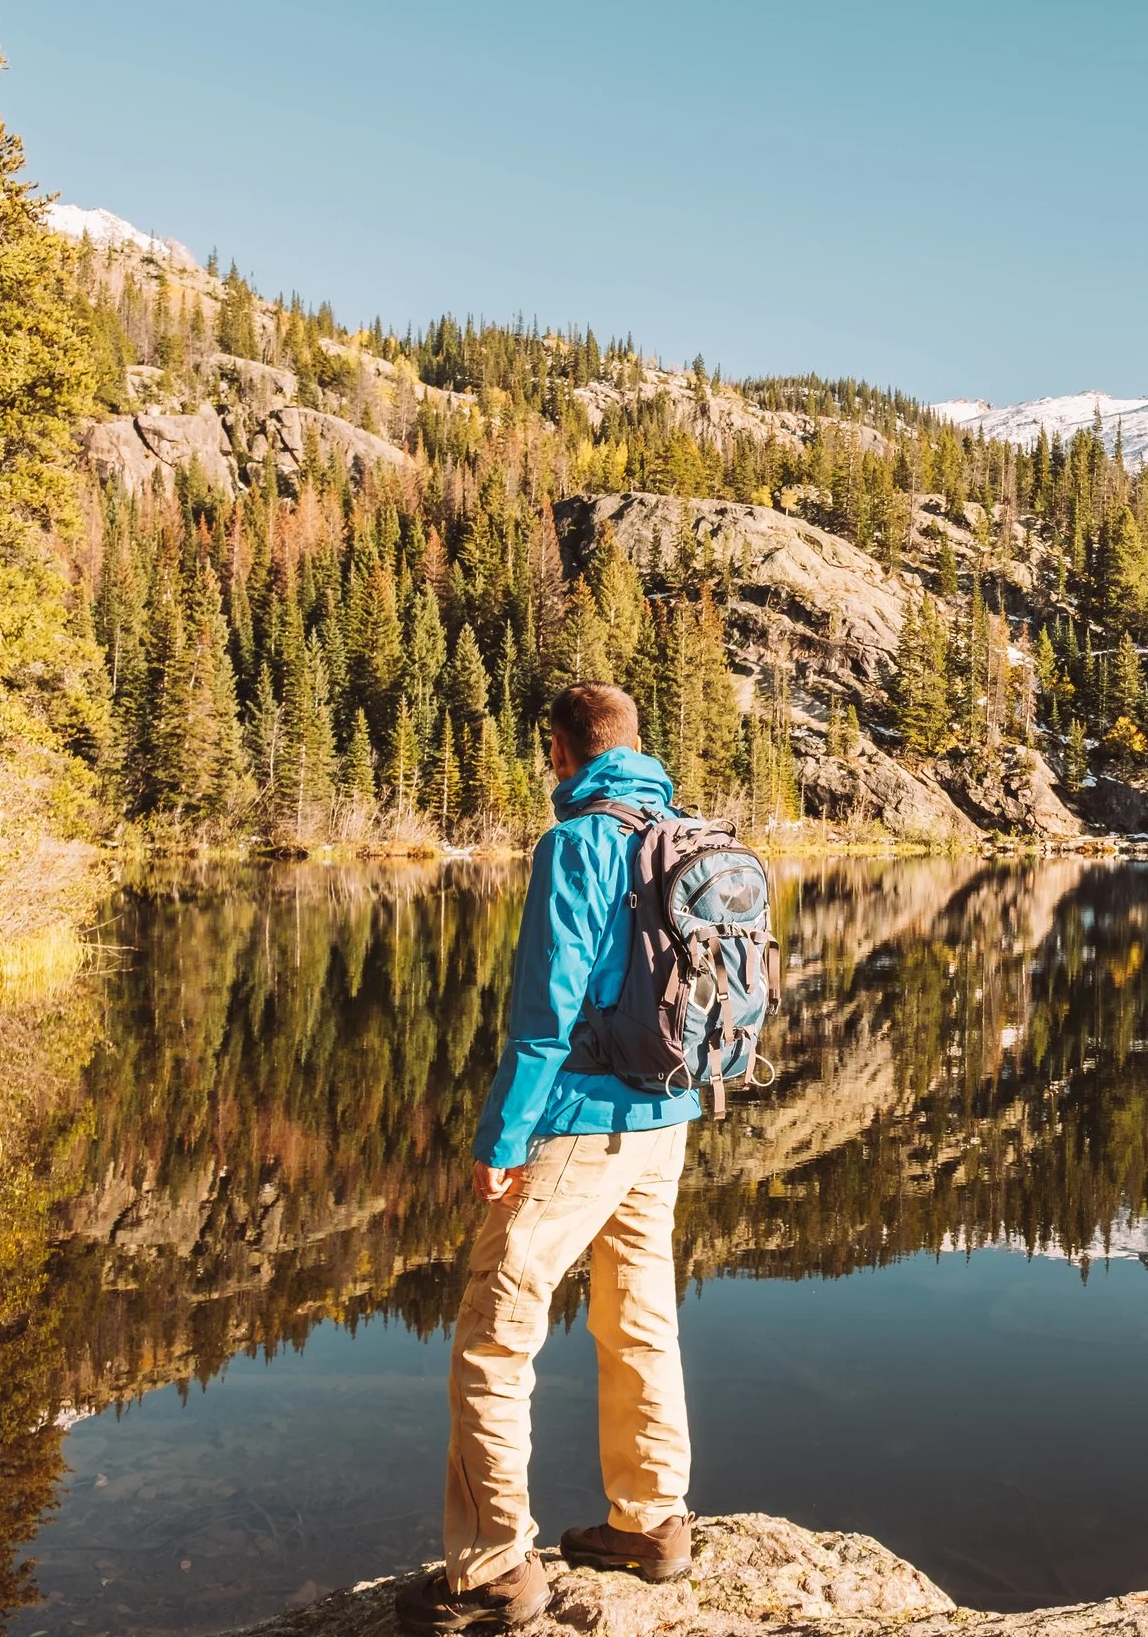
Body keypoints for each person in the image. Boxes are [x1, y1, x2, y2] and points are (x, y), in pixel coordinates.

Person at [398, 682, 709, 1634]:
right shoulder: (680, 833)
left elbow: (544, 1014)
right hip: (666, 1115)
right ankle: (652, 1521)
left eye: (550, 755)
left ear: (563, 753)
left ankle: (495, 1568)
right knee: (640, 1315)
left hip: (579, 1121)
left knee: (494, 1334)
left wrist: (503, 1140)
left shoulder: (578, 843)